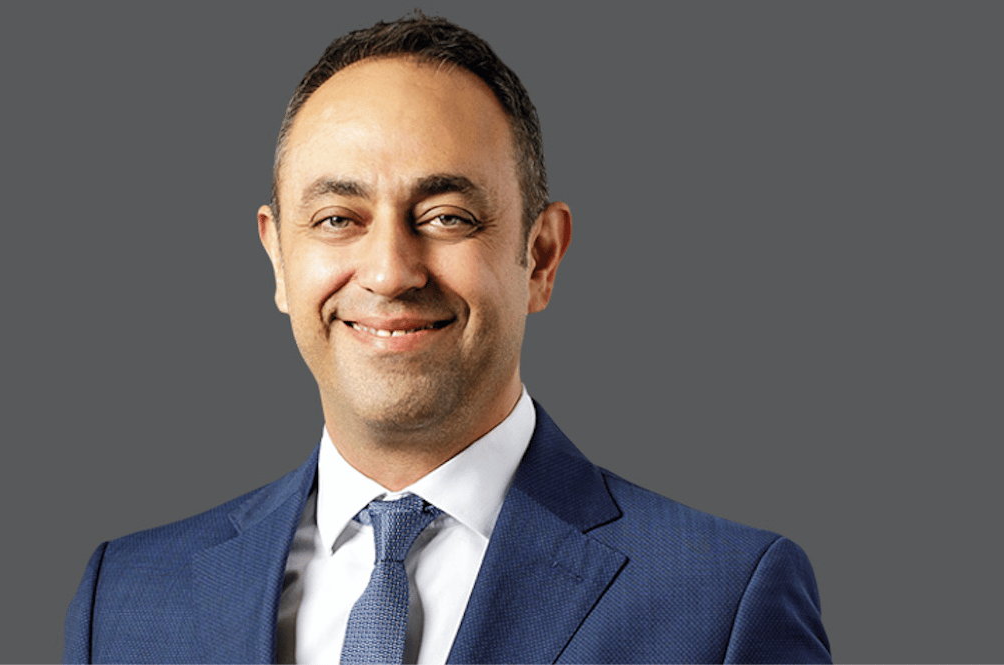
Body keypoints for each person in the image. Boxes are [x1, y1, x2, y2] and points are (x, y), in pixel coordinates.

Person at [63, 13, 830, 664]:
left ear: (539, 256)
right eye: (338, 219)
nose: (391, 271)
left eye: (447, 217)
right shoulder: (126, 601)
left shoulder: (722, 600)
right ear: (278, 258)